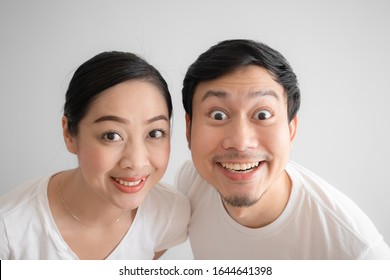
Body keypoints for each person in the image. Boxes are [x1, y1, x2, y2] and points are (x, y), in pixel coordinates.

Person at [178, 39, 390, 259]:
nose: (241, 142)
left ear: (291, 129)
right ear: (189, 129)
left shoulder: (359, 253)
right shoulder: (191, 182)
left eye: (262, 115)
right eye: (218, 115)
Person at [0, 51, 190, 260]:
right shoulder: (9, 229)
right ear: (69, 133)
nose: (136, 161)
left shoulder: (170, 214)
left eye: (155, 133)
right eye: (112, 135)